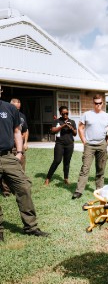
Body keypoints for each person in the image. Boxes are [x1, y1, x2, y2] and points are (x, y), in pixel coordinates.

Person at [0, 87, 49, 240]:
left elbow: (17, 131)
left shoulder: (9, 109)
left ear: (1, 90)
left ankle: (31, 227)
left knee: (24, 187)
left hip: (8, 156)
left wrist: (20, 152)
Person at [72, 94, 108, 200]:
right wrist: (84, 141)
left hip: (102, 145)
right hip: (89, 145)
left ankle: (99, 190)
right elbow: (80, 128)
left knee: (100, 169)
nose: (98, 105)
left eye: (100, 103)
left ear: (102, 103)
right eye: (96, 103)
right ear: (93, 103)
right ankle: (78, 191)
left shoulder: (107, 115)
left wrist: (107, 141)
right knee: (85, 168)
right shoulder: (87, 114)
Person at [1, 98, 28, 196]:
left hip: (18, 146)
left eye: (18, 108)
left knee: (20, 167)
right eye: (15, 108)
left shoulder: (22, 116)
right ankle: (6, 189)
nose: (17, 110)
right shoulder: (6, 112)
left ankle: (18, 188)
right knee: (5, 169)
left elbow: (25, 130)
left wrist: (25, 142)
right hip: (9, 146)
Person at [44, 106, 77, 185]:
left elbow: (75, 133)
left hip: (69, 144)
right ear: (60, 113)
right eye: (63, 113)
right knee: (57, 161)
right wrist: (63, 126)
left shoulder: (72, 121)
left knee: (67, 162)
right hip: (60, 144)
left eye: (67, 113)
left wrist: (71, 127)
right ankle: (48, 178)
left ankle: (66, 179)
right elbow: (53, 131)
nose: (65, 114)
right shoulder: (57, 121)